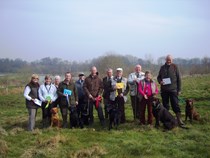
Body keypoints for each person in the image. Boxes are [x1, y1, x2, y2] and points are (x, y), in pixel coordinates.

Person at [157, 55, 184, 126]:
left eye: (170, 60)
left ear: (172, 60)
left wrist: (179, 89)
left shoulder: (175, 67)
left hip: (173, 90)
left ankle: (179, 120)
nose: (169, 61)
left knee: (175, 105)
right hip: (164, 90)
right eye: (168, 59)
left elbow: (179, 79)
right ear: (165, 60)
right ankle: (166, 120)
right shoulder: (162, 67)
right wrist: (160, 82)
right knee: (165, 106)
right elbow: (158, 77)